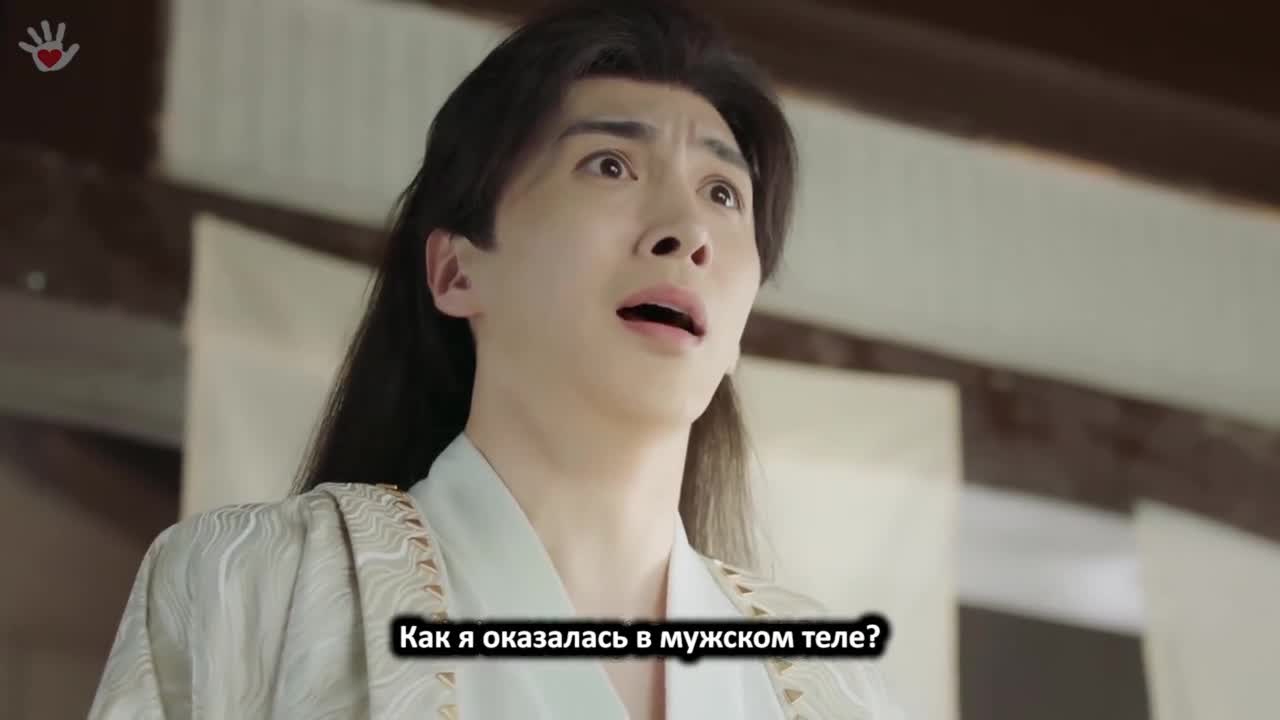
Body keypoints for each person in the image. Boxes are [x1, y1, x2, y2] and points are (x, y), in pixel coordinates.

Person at [90, 1, 902, 718]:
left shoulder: (835, 692)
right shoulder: (250, 588)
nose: (687, 232)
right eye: (610, 164)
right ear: (456, 271)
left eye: (723, 193)